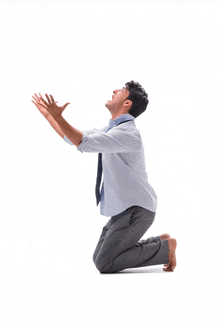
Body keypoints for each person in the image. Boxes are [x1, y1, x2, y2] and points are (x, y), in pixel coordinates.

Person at [31, 80, 177, 273]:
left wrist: (58, 116)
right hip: (126, 209)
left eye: (121, 90)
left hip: (137, 209)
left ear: (127, 103)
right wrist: (50, 116)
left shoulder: (129, 134)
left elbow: (82, 141)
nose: (115, 90)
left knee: (105, 263)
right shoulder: (111, 130)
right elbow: (74, 138)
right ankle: (160, 242)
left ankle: (165, 250)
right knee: (99, 256)